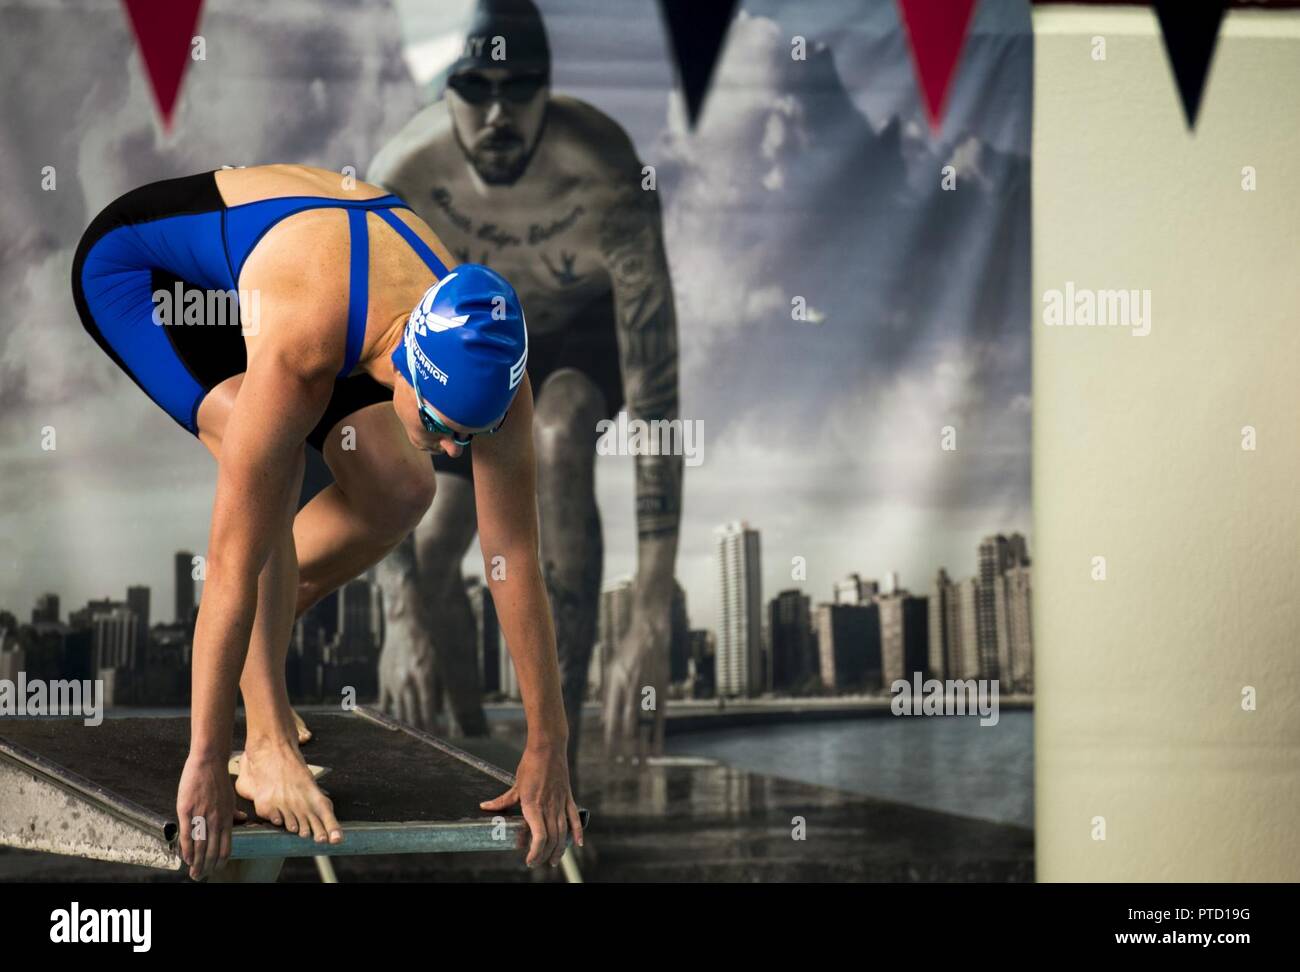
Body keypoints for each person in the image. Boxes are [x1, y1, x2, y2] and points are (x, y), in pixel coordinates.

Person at [71, 163, 581, 879]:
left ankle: (263, 643)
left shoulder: (493, 365)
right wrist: (211, 758)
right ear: (403, 367)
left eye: (473, 433)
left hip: (326, 286)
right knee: (266, 493)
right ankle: (269, 735)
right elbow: (231, 560)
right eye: (441, 425)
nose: (455, 448)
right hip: (147, 277)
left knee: (402, 487)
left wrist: (547, 744)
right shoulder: (305, 341)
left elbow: (513, 559)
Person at [368, 0, 682, 783]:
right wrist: (399, 606)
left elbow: (656, 392)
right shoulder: (401, 181)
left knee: (564, 427)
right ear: (445, 91)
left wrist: (648, 602)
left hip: (573, 338)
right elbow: (355, 397)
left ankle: (557, 752)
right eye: (476, 87)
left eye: (522, 87)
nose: (500, 113)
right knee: (434, 546)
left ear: (548, 87)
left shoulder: (606, 167)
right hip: (461, 345)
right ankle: (472, 744)